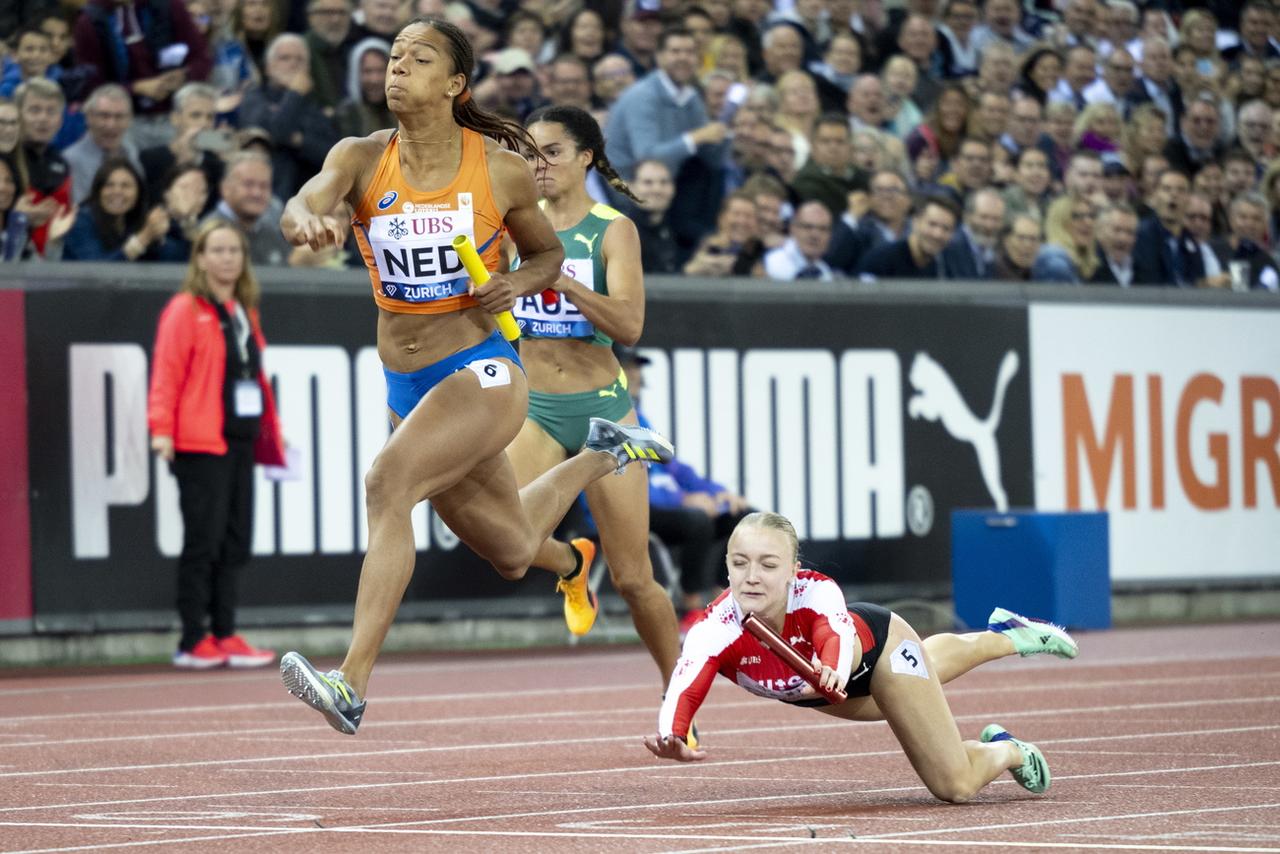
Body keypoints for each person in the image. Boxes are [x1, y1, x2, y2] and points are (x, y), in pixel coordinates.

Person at [276, 16, 674, 735]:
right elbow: (304, 199)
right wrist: (305, 218)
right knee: (514, 550)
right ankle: (592, 488)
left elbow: (547, 255)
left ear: (454, 84)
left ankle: (352, 682)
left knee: (385, 483)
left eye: (418, 58)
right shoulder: (362, 157)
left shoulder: (498, 167)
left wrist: (517, 285)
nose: (397, 67)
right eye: (393, 56)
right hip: (408, 387)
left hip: (482, 371)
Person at [645, 512, 1078, 803]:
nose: (752, 577)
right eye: (740, 563)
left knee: (956, 786)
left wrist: (831, 665)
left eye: (768, 564)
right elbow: (683, 687)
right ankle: (1005, 633)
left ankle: (1009, 750)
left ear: (794, 568)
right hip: (826, 693)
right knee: (922, 673)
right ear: (726, 565)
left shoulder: (817, 592)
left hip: (877, 649)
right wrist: (672, 735)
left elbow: (832, 633)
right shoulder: (713, 630)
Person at [503, 104, 687, 692]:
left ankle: (677, 696)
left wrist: (560, 278)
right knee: (507, 544)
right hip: (533, 407)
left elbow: (630, 326)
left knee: (635, 580)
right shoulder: (509, 226)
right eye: (529, 153)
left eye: (552, 152)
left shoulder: (613, 229)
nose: (539, 165)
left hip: (603, 411)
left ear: (585, 157)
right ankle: (572, 562)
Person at [147, 220, 285, 669]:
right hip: (198, 444)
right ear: (201, 257)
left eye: (234, 250)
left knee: (234, 540)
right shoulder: (186, 309)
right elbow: (166, 374)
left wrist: (272, 428)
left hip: (240, 441)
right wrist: (161, 430)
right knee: (202, 542)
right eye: (218, 249)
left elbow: (255, 378)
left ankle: (225, 633)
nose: (227, 258)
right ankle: (193, 639)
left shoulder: (246, 309)